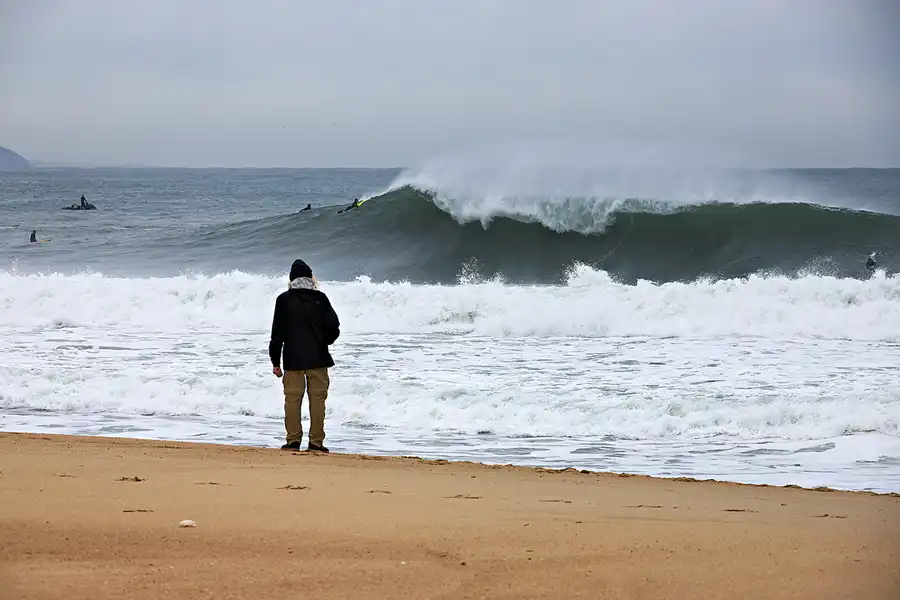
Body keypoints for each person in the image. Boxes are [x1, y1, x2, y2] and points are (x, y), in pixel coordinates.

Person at [269, 259, 340, 452]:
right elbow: (334, 327)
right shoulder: (321, 298)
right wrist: (325, 341)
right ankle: (316, 443)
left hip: (293, 359)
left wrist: (276, 362)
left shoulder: (283, 300)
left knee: (292, 400)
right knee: (317, 400)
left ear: (292, 279)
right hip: (318, 358)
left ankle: (293, 441)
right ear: (310, 277)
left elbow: (277, 335)